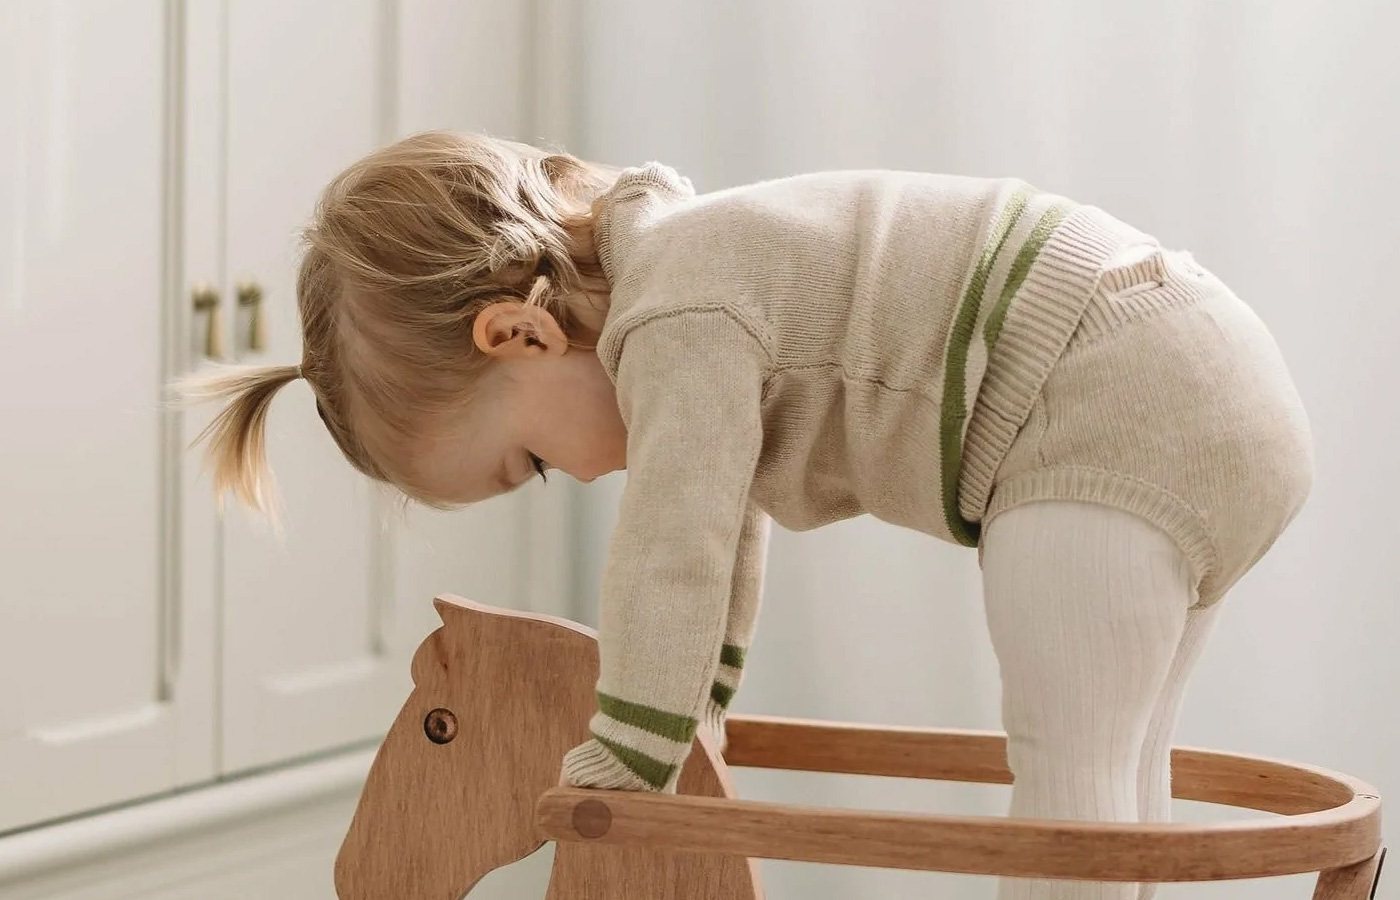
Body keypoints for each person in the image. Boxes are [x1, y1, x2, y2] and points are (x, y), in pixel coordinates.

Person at [169, 129, 1314, 900]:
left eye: (536, 463)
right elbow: (726, 513)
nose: (583, 476)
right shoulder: (695, 271)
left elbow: (677, 539)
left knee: (1067, 777)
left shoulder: (676, 312)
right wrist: (697, 709)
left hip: (1107, 396)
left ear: (518, 335)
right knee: (1117, 775)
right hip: (1185, 370)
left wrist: (628, 756)